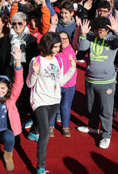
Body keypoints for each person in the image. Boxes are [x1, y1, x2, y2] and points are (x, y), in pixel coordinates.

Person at [26, 32, 76, 174]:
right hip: (39, 100)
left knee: (41, 127)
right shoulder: (36, 61)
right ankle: (40, 167)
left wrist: (72, 68)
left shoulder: (58, 61)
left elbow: (60, 82)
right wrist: (35, 73)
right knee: (45, 133)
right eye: (55, 47)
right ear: (47, 45)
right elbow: (29, 84)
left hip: (54, 99)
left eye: (59, 46)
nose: (57, 50)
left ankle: (33, 132)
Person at [77, 16, 118, 149]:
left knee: (105, 110)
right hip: (90, 80)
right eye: (96, 30)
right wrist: (83, 34)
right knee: (91, 107)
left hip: (106, 82)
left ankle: (106, 136)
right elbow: (82, 47)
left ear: (107, 30)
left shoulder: (112, 40)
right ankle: (93, 127)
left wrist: (117, 31)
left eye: (101, 30)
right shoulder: (91, 37)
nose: (98, 33)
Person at [49, 31, 77, 138]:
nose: (63, 41)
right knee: (54, 106)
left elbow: (78, 38)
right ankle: (51, 126)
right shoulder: (54, 51)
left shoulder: (72, 48)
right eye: (60, 39)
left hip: (70, 84)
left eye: (66, 38)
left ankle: (65, 126)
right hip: (57, 85)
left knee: (66, 106)